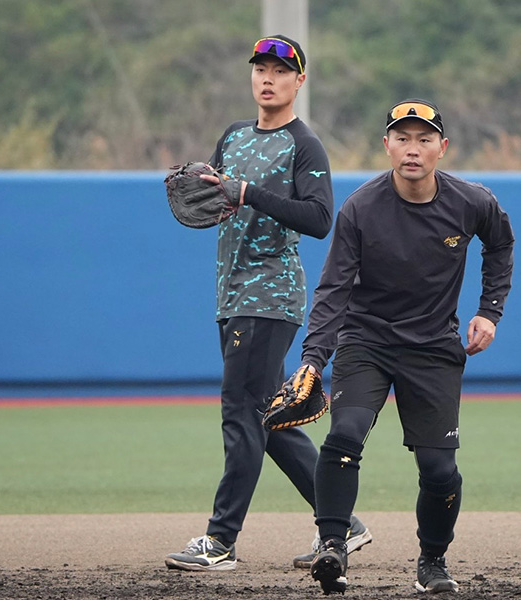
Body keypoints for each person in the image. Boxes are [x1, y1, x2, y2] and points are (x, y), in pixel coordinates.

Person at [164, 34, 371, 572]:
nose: (267, 77)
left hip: (270, 294)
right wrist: (210, 194)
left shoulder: (304, 145)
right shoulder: (233, 136)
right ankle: (343, 524)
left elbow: (320, 219)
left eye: (280, 70)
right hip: (231, 292)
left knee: (241, 413)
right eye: (260, 68)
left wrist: (247, 193)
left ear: (299, 81)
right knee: (270, 420)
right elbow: (216, 197)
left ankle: (220, 540)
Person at [299, 99, 515, 594]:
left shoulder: (471, 201)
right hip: (366, 340)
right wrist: (314, 358)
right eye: (402, 138)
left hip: (433, 346)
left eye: (423, 139)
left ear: (443, 148)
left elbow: (501, 245)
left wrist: (490, 310)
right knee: (346, 434)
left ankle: (432, 562)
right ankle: (332, 545)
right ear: (387, 146)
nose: (412, 149)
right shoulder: (361, 207)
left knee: (440, 468)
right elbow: (333, 288)